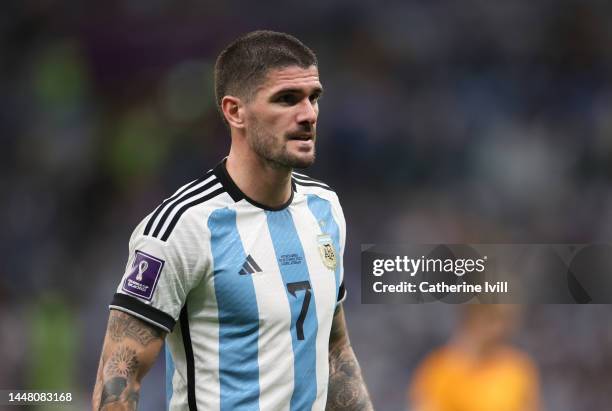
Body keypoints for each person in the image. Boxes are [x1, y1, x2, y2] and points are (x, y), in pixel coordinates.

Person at [92, 30, 373, 411]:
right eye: (287, 99)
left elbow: (335, 351)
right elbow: (119, 381)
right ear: (234, 111)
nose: (308, 114)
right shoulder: (181, 228)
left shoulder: (325, 209)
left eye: (313, 98)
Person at [408, 305, 541, 411]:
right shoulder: (440, 370)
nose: (502, 328)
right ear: (472, 317)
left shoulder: (518, 368)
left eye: (507, 319)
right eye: (494, 318)